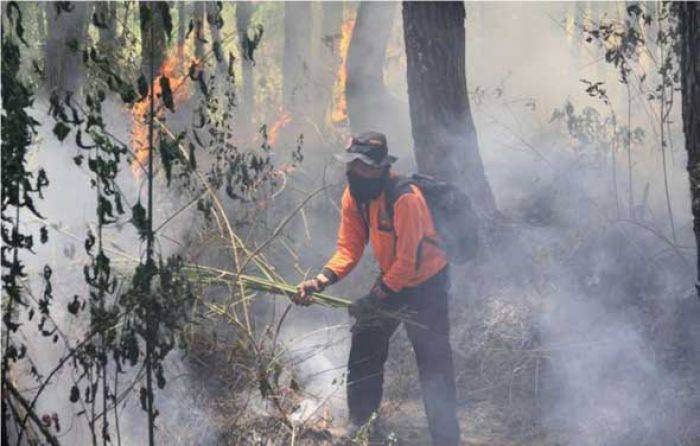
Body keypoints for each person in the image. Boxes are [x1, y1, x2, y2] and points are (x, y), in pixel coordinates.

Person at [294, 131, 461, 445]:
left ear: (379, 167)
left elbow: (409, 260)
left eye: (361, 165)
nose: (353, 171)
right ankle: (363, 428)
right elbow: (349, 248)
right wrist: (321, 281)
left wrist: (374, 298)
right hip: (393, 279)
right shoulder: (354, 195)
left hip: (428, 285)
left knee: (433, 362)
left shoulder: (405, 197)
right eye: (352, 164)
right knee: (365, 347)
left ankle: (446, 438)